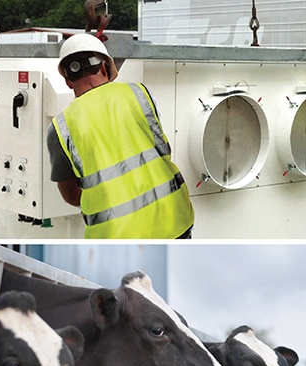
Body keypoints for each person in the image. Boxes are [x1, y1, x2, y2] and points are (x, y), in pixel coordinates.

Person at [47, 34, 195, 239]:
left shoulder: (60, 128)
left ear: (67, 81)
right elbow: (160, 147)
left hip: (114, 236)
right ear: (106, 68)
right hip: (174, 222)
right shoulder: (140, 94)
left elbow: (71, 196)